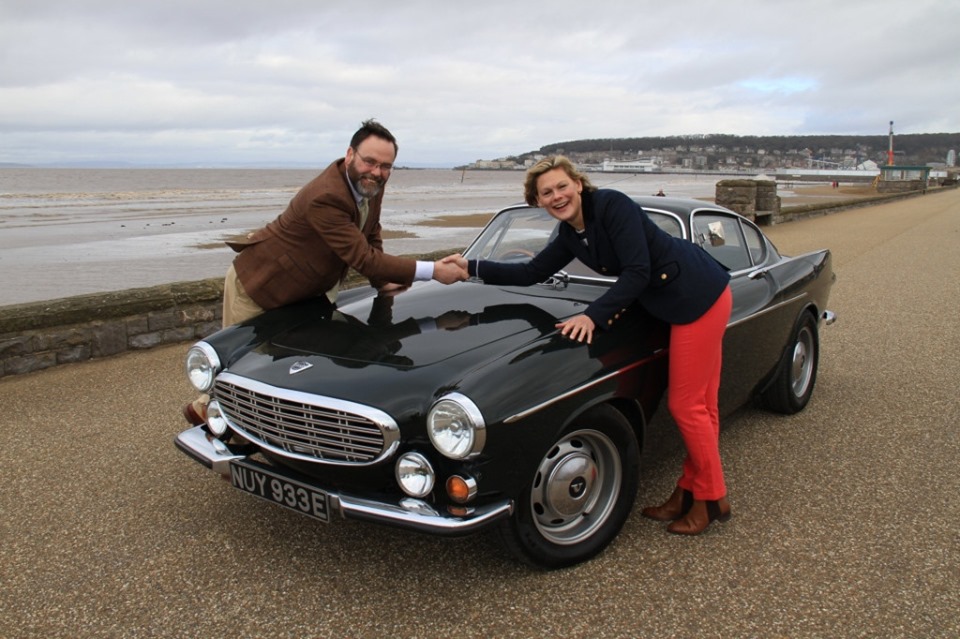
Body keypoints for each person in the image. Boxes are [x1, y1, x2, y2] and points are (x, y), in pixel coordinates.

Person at [444, 155, 733, 536]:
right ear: (538, 201)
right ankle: (689, 490)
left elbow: (638, 270)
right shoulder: (569, 236)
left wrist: (593, 316)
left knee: (687, 405)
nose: (556, 196)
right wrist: (471, 268)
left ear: (578, 184)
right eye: (546, 193)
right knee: (702, 408)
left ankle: (712, 499)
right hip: (675, 299)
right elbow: (532, 272)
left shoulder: (613, 205)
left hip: (697, 296)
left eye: (562, 186)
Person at [184, 119, 466, 425]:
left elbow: (370, 234)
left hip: (305, 291)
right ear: (350, 155)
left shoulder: (371, 186)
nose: (377, 171)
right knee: (240, 368)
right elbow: (361, 256)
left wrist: (381, 280)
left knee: (290, 369)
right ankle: (215, 425)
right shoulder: (326, 196)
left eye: (386, 166)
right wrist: (433, 271)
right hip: (260, 285)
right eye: (369, 161)